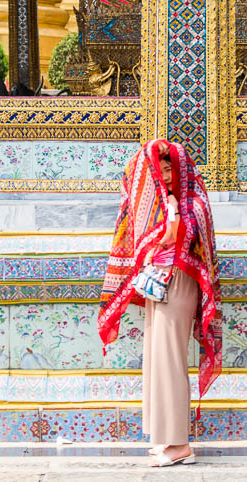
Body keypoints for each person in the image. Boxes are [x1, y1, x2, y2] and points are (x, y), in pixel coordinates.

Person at [98, 139, 221, 468]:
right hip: (160, 283)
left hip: (179, 280)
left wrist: (170, 211)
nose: (165, 175)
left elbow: (175, 237)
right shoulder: (161, 201)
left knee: (170, 362)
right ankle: (164, 437)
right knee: (157, 359)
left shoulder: (191, 200)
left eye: (169, 169)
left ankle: (179, 443)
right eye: (160, 170)